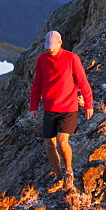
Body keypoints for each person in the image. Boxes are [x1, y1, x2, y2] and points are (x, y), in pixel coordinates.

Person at [30, 30, 93, 191]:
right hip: (50, 108)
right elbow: (37, 84)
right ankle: (59, 175)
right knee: (49, 144)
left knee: (61, 141)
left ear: (60, 43)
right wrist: (34, 105)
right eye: (48, 47)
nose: (50, 49)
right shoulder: (42, 60)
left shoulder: (72, 58)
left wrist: (88, 104)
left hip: (68, 108)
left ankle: (69, 172)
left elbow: (82, 82)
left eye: (53, 46)